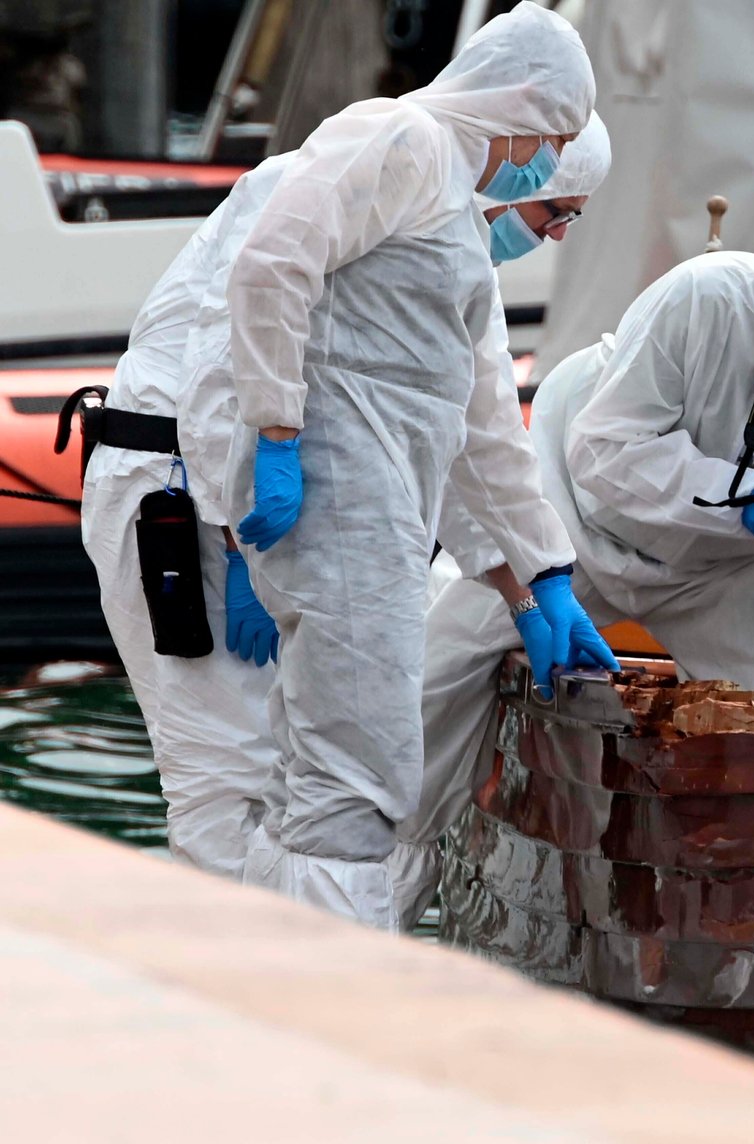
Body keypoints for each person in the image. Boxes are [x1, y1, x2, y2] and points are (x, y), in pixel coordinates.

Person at [76, 110, 613, 886]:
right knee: (227, 782)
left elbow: (465, 436)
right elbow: (224, 366)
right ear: (516, 162)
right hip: (182, 488)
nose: (558, 234)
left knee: (298, 782)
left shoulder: (445, 245)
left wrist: (532, 589)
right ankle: (231, 989)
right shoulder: (329, 183)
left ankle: (282, 975)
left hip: (270, 512)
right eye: (555, 211)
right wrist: (234, 544)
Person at [389, 251, 754, 925]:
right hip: (571, 522)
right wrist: (732, 493)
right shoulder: (712, 300)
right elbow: (601, 450)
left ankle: (753, 927)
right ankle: (376, 893)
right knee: (436, 673)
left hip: (729, 573)